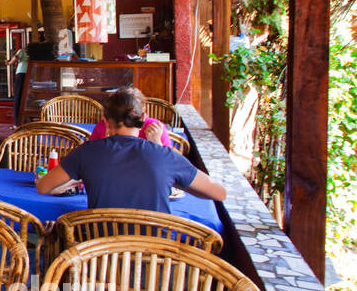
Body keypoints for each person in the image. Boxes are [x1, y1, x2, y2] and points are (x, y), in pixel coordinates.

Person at [37, 87, 225, 214]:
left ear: (104, 119)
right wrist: (174, 181)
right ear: (143, 116)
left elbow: (43, 186)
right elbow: (219, 193)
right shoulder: (164, 156)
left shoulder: (87, 152)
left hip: (100, 259)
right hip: (155, 263)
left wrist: (82, 177)